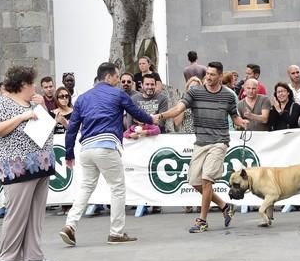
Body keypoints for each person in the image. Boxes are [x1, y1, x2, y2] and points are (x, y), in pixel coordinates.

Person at [59, 62, 156, 246]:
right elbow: (134, 111)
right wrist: (151, 119)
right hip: (106, 145)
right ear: (109, 76)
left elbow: (72, 128)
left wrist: (69, 153)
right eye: (117, 77)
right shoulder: (118, 93)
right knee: (117, 188)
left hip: (86, 148)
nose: (119, 81)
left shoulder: (82, 98)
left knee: (86, 188)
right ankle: (116, 233)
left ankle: (70, 225)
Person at [151, 61, 249, 233]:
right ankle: (225, 206)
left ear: (220, 76)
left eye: (212, 75)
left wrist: (241, 122)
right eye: (207, 74)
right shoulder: (195, 92)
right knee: (194, 182)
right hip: (201, 142)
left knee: (206, 180)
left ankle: (202, 221)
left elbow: (234, 117)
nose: (209, 77)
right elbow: (178, 108)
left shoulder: (228, 95)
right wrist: (161, 116)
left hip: (219, 141)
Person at [0, 66, 57, 261]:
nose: (34, 87)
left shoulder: (33, 102)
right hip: (16, 167)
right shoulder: (2, 104)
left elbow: (48, 124)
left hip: (41, 163)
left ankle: (33, 257)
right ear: (22, 85)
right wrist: (21, 117)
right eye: (31, 84)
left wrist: (42, 106)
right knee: (16, 213)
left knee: (36, 214)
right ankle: (5, 259)